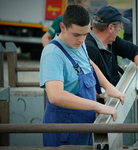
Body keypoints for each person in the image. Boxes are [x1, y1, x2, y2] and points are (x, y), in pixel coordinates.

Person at [40, 5, 125, 147]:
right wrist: (97, 106)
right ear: (62, 27)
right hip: (64, 132)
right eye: (76, 35)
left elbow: (89, 63)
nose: (81, 39)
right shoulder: (53, 53)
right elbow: (55, 96)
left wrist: (108, 87)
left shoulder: (79, 44)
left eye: (85, 34)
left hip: (84, 127)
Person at [85, 6, 138, 103]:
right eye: (119, 27)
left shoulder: (112, 41)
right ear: (110, 28)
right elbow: (85, 88)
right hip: (98, 111)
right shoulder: (88, 48)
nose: (120, 30)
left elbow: (135, 50)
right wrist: (108, 91)